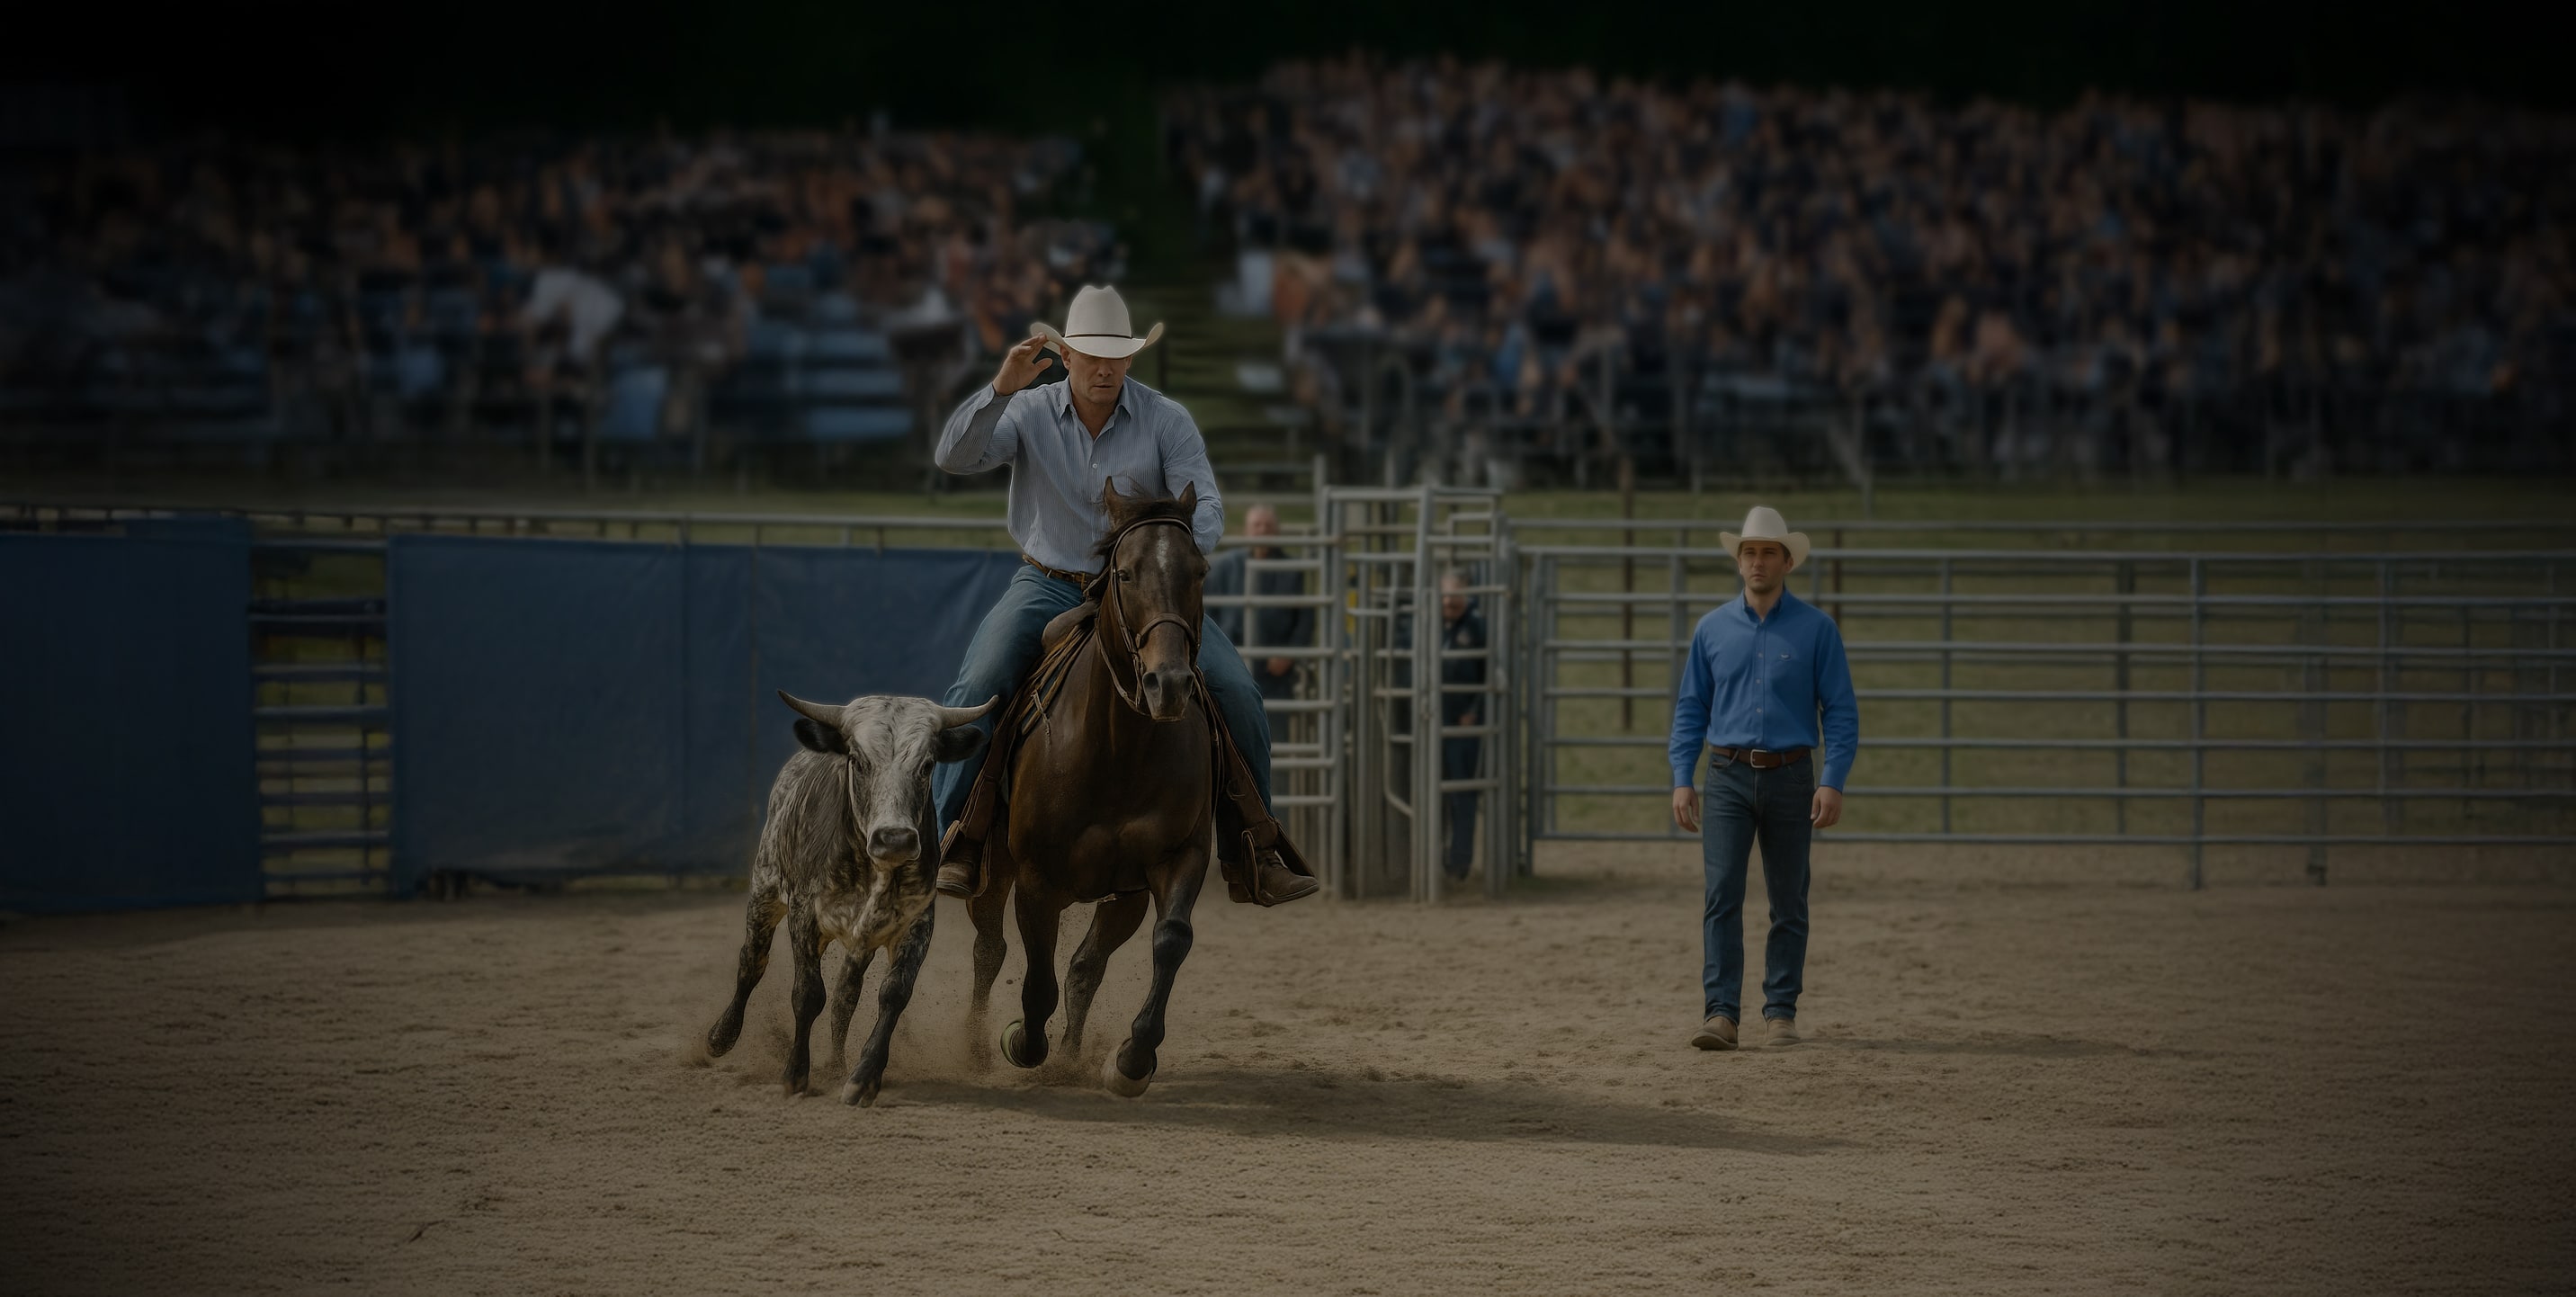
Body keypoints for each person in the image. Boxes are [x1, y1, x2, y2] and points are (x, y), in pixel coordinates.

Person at [927, 283, 1316, 907]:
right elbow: (955, 457)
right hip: (1048, 583)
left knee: (1238, 692)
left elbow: (1207, 500)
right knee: (979, 685)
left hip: (1146, 592)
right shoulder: (1027, 412)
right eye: (1090, 354)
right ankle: (948, 839)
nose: (1104, 367)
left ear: (1131, 360)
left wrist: (1177, 547)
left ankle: (1255, 847)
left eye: (1116, 355)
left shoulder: (1167, 419)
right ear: (1065, 355)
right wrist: (1001, 388)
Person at [1669, 506, 1858, 1051]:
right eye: (1748, 552)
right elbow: (1690, 709)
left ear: (1787, 561)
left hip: (1792, 775)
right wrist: (1683, 776)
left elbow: (1841, 712)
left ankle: (1780, 1011)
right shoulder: (1711, 630)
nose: (1757, 562)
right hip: (1726, 772)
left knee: (1789, 899)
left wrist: (1833, 779)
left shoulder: (1818, 631)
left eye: (1767, 552)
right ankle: (1721, 1014)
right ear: (1739, 561)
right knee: (1722, 894)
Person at [1205, 504, 1312, 702]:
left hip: (1275, 670)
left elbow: (1304, 618)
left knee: (1275, 726)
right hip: (1229, 665)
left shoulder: (1292, 570)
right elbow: (1208, 613)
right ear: (1247, 531)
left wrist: (1289, 655)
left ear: (1277, 532)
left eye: (1268, 526)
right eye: (1257, 526)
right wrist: (1219, 656)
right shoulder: (1224, 567)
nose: (1263, 531)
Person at [1435, 569, 1488, 880]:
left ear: (1467, 596)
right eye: (1446, 594)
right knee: (1431, 793)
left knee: (1462, 794)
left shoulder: (1477, 627)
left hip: (1463, 726)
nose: (1451, 600)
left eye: (1457, 594)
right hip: (1431, 723)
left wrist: (1474, 710)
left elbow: (1488, 672)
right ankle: (1434, 857)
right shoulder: (1431, 624)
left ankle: (1459, 864)